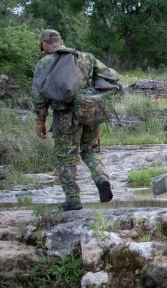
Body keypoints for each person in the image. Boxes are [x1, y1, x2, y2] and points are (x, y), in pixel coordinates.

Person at [32, 29, 118, 210]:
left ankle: (73, 199)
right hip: (89, 112)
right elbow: (111, 76)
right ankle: (101, 177)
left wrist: (40, 119)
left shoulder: (45, 62)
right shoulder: (86, 57)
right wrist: (94, 96)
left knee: (66, 159)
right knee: (90, 151)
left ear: (44, 43)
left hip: (65, 116)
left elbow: (39, 95)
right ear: (61, 40)